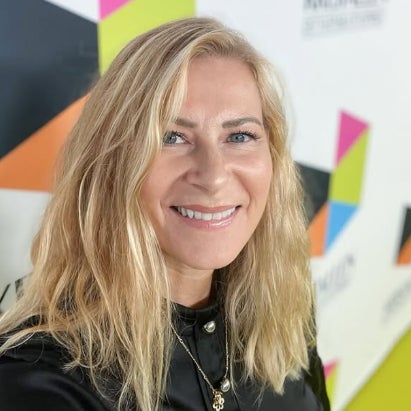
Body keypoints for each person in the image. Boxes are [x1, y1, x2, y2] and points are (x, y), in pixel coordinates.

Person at [0, 17, 330, 411]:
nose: (213, 176)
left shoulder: (284, 306)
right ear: (110, 165)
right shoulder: (39, 381)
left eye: (239, 136)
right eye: (171, 137)